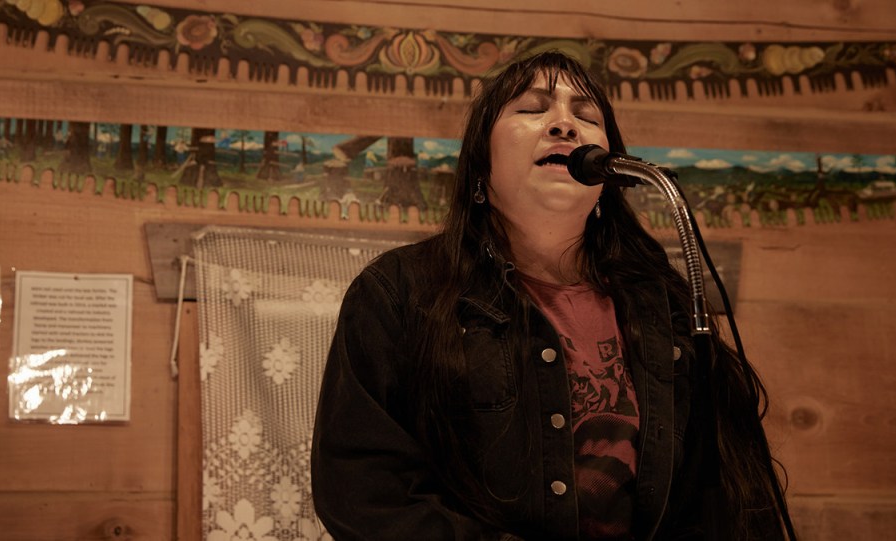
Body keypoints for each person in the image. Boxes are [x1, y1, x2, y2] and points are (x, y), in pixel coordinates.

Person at [311, 51, 795, 540]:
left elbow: (726, 488)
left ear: (608, 177)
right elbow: (364, 491)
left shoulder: (661, 301)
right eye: (532, 108)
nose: (565, 125)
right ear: (481, 166)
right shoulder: (398, 291)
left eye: (586, 116)